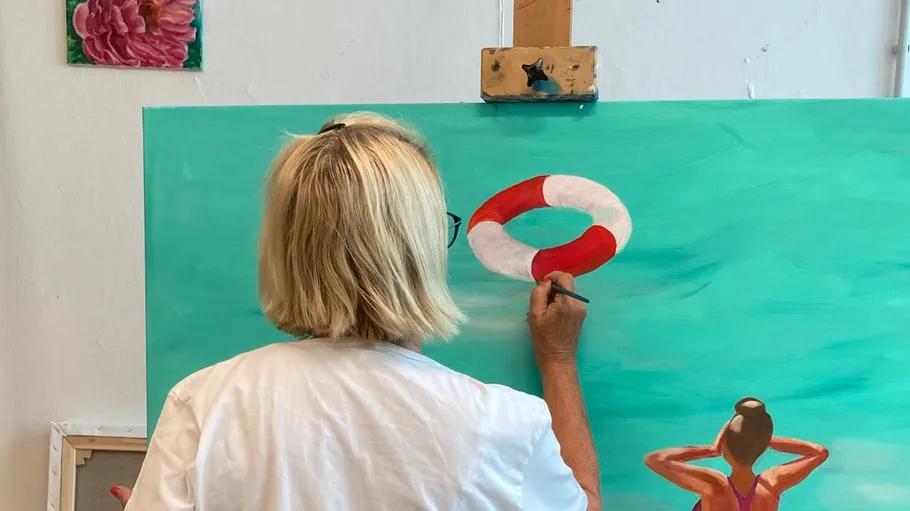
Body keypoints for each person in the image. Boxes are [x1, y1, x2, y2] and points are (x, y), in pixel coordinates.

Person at [112, 113, 602, 510]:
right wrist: (558, 360)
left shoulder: (204, 401)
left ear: (286, 247)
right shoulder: (502, 424)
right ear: (419, 247)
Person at [644, 397, 829, 511]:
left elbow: (655, 459)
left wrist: (711, 450)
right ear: (762, 447)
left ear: (725, 446)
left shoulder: (715, 485)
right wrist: (762, 439)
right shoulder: (771, 484)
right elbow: (819, 453)